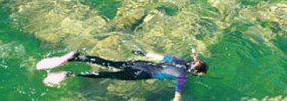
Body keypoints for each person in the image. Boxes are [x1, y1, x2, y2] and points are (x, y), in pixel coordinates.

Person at [37, 48, 208, 100]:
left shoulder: (179, 60)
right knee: (107, 75)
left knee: (109, 63)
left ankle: (76, 57)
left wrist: (141, 53)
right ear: (197, 73)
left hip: (139, 63)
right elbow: (177, 97)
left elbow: (155, 56)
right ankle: (69, 74)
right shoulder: (183, 77)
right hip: (139, 74)